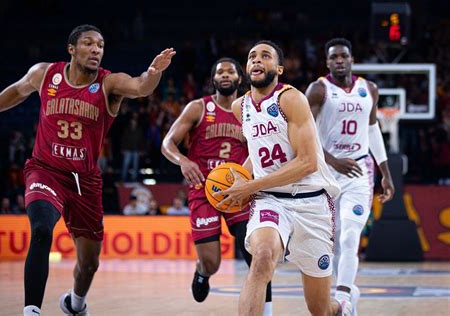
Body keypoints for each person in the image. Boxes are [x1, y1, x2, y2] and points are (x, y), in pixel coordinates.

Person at [0, 24, 175, 316]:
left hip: (85, 181)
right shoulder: (45, 74)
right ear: (72, 49)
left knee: (89, 263)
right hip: (45, 170)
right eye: (89, 44)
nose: (96, 50)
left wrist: (154, 73)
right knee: (42, 229)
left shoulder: (109, 84)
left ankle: (75, 303)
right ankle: (31, 310)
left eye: (101, 45)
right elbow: (16, 92)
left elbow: (139, 86)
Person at [214, 41, 345, 316]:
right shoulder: (241, 107)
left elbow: (307, 162)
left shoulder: (291, 99)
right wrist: (236, 179)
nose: (257, 60)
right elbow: (258, 152)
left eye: (265, 56)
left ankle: (342, 308)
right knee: (261, 259)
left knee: (320, 309)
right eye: (252, 56)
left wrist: (249, 185)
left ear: (279, 69)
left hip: (312, 203)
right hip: (270, 202)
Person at [161, 58, 273, 314]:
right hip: (203, 189)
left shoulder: (249, 110)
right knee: (212, 262)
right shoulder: (198, 107)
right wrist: (183, 161)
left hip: (238, 189)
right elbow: (167, 143)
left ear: (238, 78)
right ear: (213, 79)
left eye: (230, 71)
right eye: (219, 71)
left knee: (257, 252)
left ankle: (265, 310)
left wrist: (244, 175)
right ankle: (203, 271)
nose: (225, 74)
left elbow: (259, 148)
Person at [305, 37, 395, 315]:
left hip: (359, 171)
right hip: (325, 172)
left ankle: (342, 297)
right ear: (327, 62)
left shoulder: (369, 89)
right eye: (334, 57)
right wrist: (332, 160)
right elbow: (304, 134)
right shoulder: (318, 90)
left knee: (350, 236)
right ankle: (349, 292)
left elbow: (372, 131)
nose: (339, 60)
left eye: (344, 55)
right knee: (330, 241)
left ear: (352, 59)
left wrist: (386, 173)